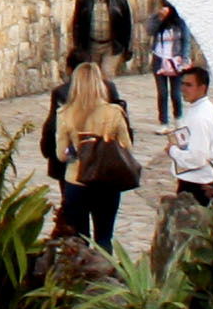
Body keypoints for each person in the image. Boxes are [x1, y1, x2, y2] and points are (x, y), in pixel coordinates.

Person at [39, 60, 139, 249]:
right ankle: (105, 273)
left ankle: (82, 276)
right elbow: (127, 147)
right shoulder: (114, 113)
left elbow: (61, 154)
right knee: (104, 237)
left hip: (77, 181)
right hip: (107, 181)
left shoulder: (65, 114)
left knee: (79, 238)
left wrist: (75, 151)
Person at [165, 60, 213, 222]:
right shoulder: (200, 109)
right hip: (197, 181)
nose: (183, 89)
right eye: (182, 84)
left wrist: (172, 151)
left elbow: (198, 157)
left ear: (202, 88)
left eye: (189, 85)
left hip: (196, 185)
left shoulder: (200, 117)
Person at [64, 0, 136, 115]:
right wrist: (78, 47)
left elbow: (127, 24)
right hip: (91, 45)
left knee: (105, 77)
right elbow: (77, 24)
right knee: (91, 78)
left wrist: (127, 48)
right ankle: (92, 108)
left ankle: (105, 110)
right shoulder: (84, 0)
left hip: (111, 45)